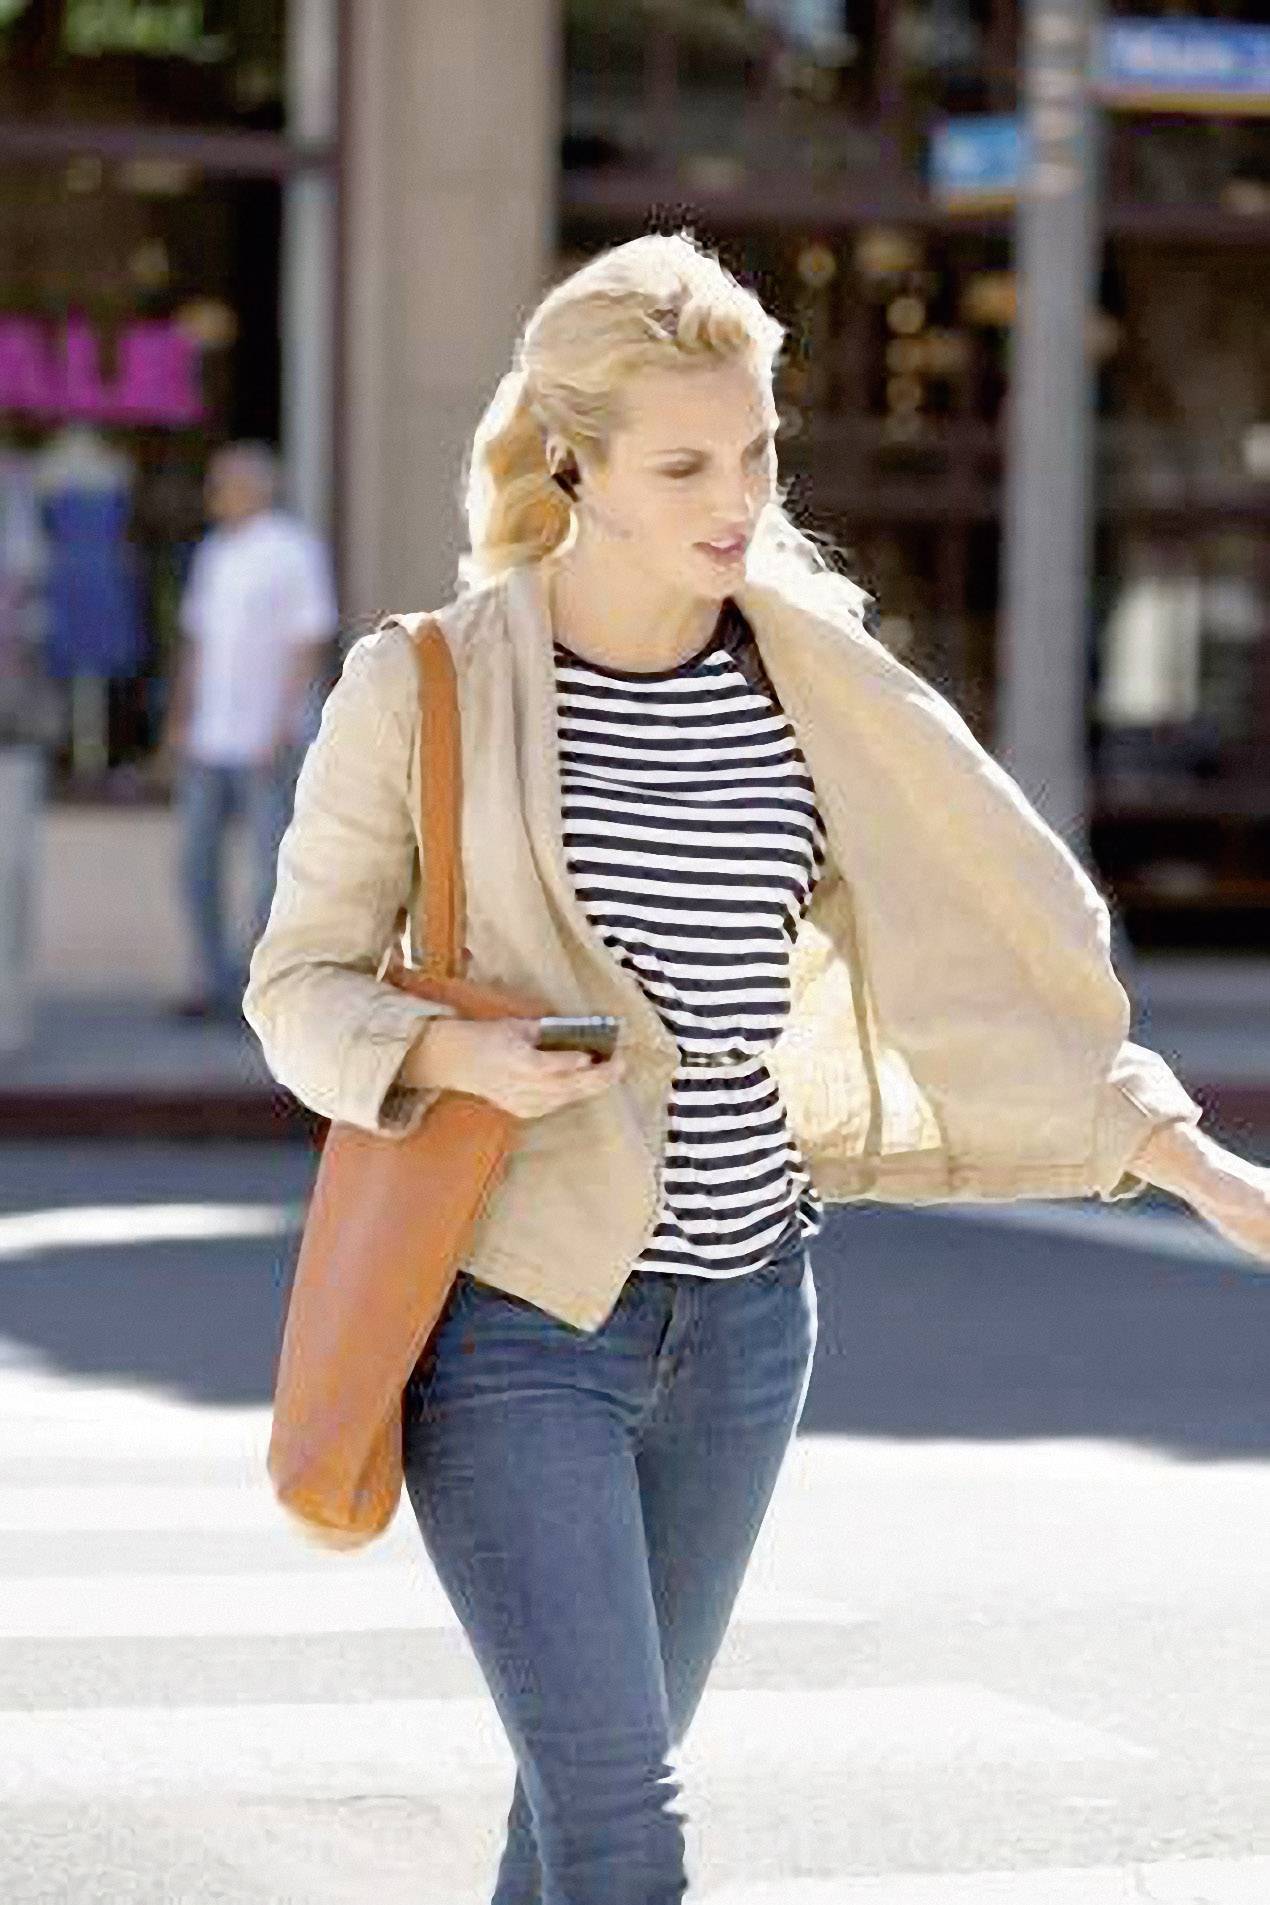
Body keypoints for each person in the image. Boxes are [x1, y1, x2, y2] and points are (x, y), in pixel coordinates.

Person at [243, 233, 1270, 1903]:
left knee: (574, 1822)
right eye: (686, 465)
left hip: (745, 1327)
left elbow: (983, 971)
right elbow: (293, 990)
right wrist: (455, 1050)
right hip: (521, 1325)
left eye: (757, 452)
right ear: (576, 464)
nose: (738, 497)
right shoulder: (430, 683)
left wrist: (1195, 1164)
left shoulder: (809, 677)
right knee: (628, 1832)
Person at [161, 441, 337, 1020]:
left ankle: (260, 991)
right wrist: (181, 719)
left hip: (269, 740)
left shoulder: (292, 550)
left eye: (224, 484)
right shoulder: (214, 552)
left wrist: (282, 723)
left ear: (258, 488)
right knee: (194, 862)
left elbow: (308, 641)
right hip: (210, 739)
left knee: (271, 866)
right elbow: (197, 641)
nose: (215, 496)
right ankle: (212, 979)